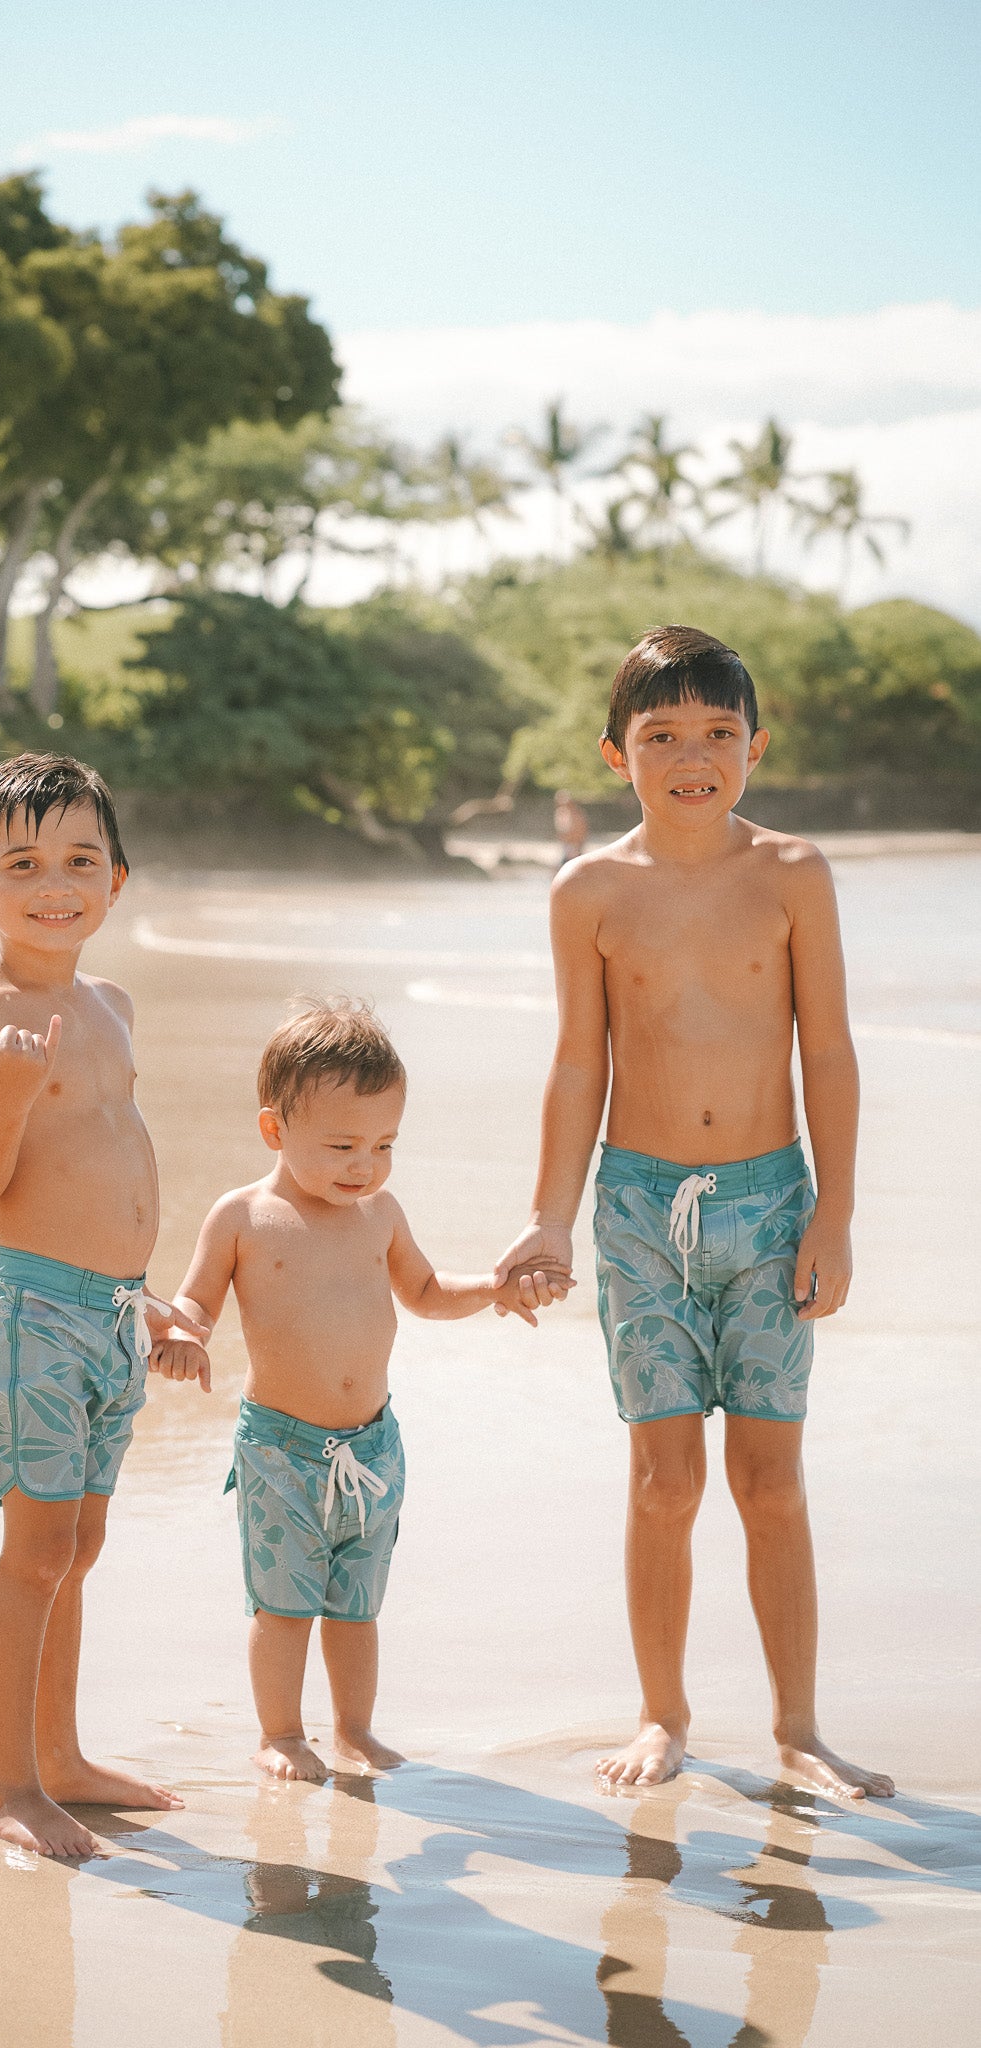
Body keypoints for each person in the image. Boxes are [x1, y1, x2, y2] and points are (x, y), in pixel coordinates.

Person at [494, 625, 894, 1802]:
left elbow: (829, 1049)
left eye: (718, 733)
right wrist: (550, 1217)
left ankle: (799, 1727)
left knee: (771, 1480)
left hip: (773, 1208)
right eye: (661, 735)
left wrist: (837, 1214)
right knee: (665, 1480)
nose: (692, 755)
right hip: (636, 1211)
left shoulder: (792, 875)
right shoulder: (591, 890)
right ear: (616, 753)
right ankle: (663, 1713)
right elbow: (579, 1065)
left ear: (755, 746)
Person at [160, 998, 565, 1785]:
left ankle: (354, 1730)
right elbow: (195, 1302)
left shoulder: (378, 1212)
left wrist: (492, 1286)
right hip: (281, 1448)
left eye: (384, 1145)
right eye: (342, 1144)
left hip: (372, 1447)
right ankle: (280, 1733)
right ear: (274, 1130)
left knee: (355, 1604)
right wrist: (180, 1336)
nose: (364, 1164)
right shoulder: (244, 1215)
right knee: (283, 1605)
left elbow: (422, 1290)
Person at [0, 753, 210, 1862]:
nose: (56, 883)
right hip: (31, 1315)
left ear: (119, 878)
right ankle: (6, 1782)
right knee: (35, 1550)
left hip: (107, 1315)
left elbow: (110, 1157)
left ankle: (61, 1753)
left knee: (79, 1543)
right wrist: (1, 1101)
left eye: (80, 860)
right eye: (24, 863)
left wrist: (150, 1304)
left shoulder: (111, 1001)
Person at [553, 787, 589, 867]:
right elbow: (561, 831)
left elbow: (582, 829)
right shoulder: (562, 813)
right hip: (568, 845)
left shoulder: (577, 813)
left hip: (574, 845)